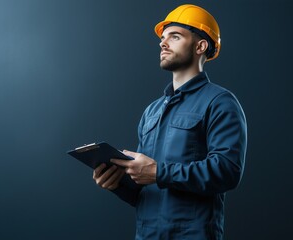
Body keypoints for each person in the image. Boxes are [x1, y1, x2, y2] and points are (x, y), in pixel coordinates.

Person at [93, 4, 247, 240]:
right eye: (163, 38)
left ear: (200, 46)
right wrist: (118, 184)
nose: (163, 43)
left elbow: (227, 171)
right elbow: (146, 191)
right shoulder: (152, 111)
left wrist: (158, 172)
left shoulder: (220, 102)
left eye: (175, 37)